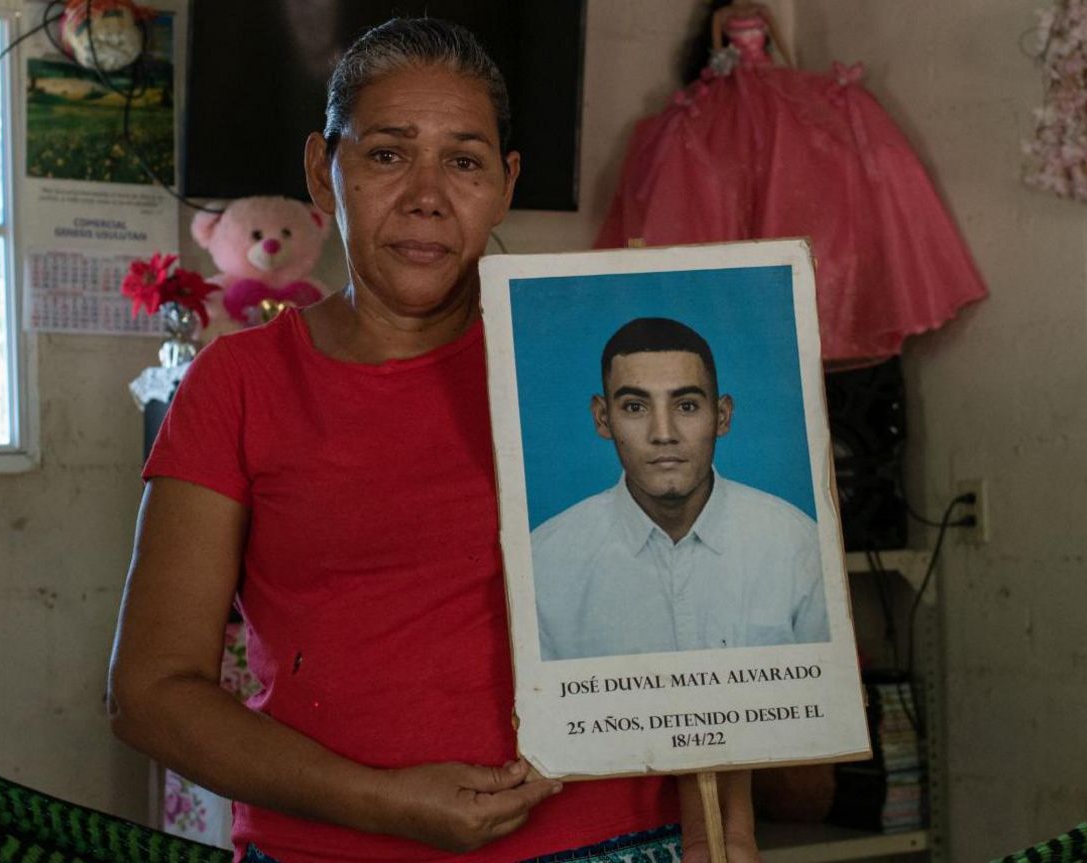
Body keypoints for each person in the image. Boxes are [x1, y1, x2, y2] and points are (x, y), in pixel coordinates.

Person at [106, 18, 760, 863]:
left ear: (504, 183)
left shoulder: (587, 367)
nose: (426, 194)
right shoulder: (239, 384)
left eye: (463, 160)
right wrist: (380, 802)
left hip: (614, 843)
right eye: (386, 154)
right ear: (321, 168)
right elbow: (150, 692)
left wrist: (726, 832)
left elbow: (710, 622)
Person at [595, 0, 987, 367]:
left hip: (767, 81)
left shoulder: (761, 11)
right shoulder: (724, 13)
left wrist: (789, 73)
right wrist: (722, 70)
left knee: (789, 167)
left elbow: (779, 45)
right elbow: (718, 51)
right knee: (734, 171)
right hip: (733, 84)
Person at [533, 317, 829, 662]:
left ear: (722, 416)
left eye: (686, 406)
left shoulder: (798, 544)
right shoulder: (544, 564)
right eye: (635, 407)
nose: (663, 433)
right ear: (602, 418)